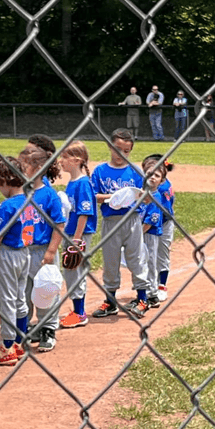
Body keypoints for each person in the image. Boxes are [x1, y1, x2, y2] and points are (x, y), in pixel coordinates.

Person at [90, 128, 154, 318]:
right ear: (110, 146)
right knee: (110, 262)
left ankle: (142, 298)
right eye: (118, 149)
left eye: (126, 151)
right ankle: (110, 301)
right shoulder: (100, 171)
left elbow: (145, 197)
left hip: (132, 221)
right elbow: (94, 196)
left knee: (136, 258)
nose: (121, 154)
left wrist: (145, 197)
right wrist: (114, 197)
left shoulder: (135, 171)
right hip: (110, 222)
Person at [0, 157, 32, 366]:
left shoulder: (7, 205)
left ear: (4, 180)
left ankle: (7, 347)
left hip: (8, 255)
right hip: (25, 253)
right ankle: (19, 342)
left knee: (6, 301)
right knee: (20, 299)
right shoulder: (29, 200)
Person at [18, 147, 66, 352]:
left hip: (42, 251)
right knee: (24, 292)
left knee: (45, 291)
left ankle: (48, 328)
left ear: (38, 168)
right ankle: (25, 326)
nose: (19, 169)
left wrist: (51, 251)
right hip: (22, 250)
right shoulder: (19, 192)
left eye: (23, 165)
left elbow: (59, 225)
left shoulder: (48, 195)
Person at [58, 141, 98, 328]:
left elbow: (84, 213)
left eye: (65, 157)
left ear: (77, 160)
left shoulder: (82, 184)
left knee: (75, 271)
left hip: (78, 234)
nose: (61, 161)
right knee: (70, 270)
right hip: (71, 233)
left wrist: (76, 239)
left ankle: (80, 313)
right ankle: (76, 309)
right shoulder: (73, 182)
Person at [135, 156, 167, 318]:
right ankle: (145, 291)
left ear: (161, 181)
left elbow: (151, 220)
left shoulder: (156, 196)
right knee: (141, 262)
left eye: (156, 175)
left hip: (149, 234)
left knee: (149, 262)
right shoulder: (144, 193)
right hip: (141, 233)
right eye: (149, 174)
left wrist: (138, 234)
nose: (152, 177)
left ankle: (152, 294)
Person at [143, 153, 175, 302]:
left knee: (161, 254)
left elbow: (164, 211)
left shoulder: (162, 188)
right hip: (151, 223)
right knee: (149, 256)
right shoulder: (152, 184)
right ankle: (150, 285)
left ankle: (161, 286)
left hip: (164, 223)